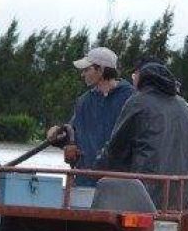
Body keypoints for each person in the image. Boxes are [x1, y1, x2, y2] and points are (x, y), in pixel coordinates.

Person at [98, 61, 188, 209]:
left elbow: (116, 150)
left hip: (144, 202)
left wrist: (95, 169)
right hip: (181, 206)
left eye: (134, 77)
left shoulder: (138, 102)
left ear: (143, 80)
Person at [46, 46, 133, 187]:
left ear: (101, 70)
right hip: (84, 182)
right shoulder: (84, 101)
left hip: (119, 184)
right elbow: (72, 133)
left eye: (87, 69)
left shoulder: (131, 99)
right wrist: (56, 136)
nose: (82, 74)